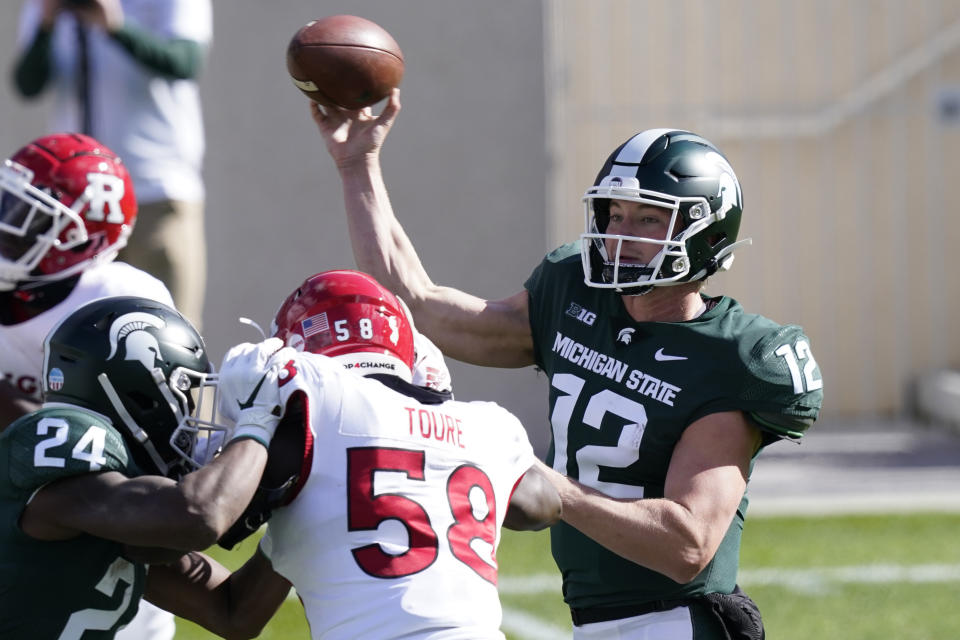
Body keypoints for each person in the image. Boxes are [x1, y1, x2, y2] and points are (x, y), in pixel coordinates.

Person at [311, 94, 824, 639]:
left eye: (648, 219)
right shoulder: (574, 293)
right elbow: (418, 303)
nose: (620, 233)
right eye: (614, 213)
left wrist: (546, 482)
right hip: (596, 623)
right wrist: (357, 166)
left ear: (707, 234)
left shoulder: (730, 355)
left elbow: (687, 543)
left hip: (676, 623)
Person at [200, 269, 561, 639]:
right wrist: (443, 448)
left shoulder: (317, 407)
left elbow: (206, 519)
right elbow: (544, 506)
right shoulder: (488, 424)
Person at [0, 294, 303, 640]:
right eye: (186, 395)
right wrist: (258, 419)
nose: (191, 416)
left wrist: (300, 508)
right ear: (141, 394)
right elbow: (197, 515)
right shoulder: (65, 442)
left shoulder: (112, 504)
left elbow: (234, 612)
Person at [0, 132, 183, 638]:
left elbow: (185, 429)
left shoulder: (120, 301)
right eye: (7, 204)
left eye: (28, 217)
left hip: (96, 534)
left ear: (82, 239)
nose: (6, 227)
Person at [12, 0, 212, 327]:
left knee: (171, 330)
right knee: (78, 331)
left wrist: (116, 27)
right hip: (74, 199)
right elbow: (27, 84)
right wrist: (47, 24)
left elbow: (185, 62)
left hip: (154, 183)